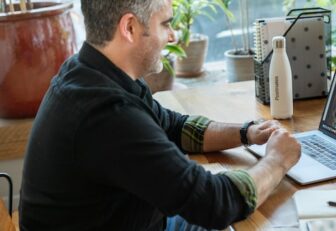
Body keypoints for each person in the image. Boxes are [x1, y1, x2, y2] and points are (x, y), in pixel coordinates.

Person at [19, 0, 301, 230]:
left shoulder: (91, 72)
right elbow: (215, 204)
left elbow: (173, 127)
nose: (173, 35)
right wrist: (278, 160)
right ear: (129, 27)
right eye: (165, 23)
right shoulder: (107, 115)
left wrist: (247, 132)